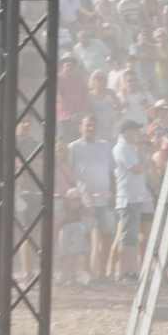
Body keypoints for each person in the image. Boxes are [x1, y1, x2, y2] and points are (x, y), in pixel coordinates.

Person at [68, 113, 115, 283]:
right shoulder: (73, 147)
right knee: (85, 238)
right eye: (87, 125)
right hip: (84, 201)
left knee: (107, 235)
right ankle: (89, 273)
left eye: (93, 125)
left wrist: (113, 193)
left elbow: (111, 172)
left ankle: (102, 272)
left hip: (104, 199)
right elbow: (69, 173)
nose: (90, 128)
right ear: (80, 127)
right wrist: (74, 197)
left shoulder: (104, 146)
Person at [110, 118, 153, 283]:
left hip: (135, 198)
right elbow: (138, 169)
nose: (137, 134)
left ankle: (132, 270)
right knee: (127, 237)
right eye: (135, 130)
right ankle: (123, 272)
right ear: (128, 131)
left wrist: (142, 153)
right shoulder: (122, 148)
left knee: (132, 237)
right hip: (128, 198)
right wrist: (144, 161)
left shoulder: (129, 148)